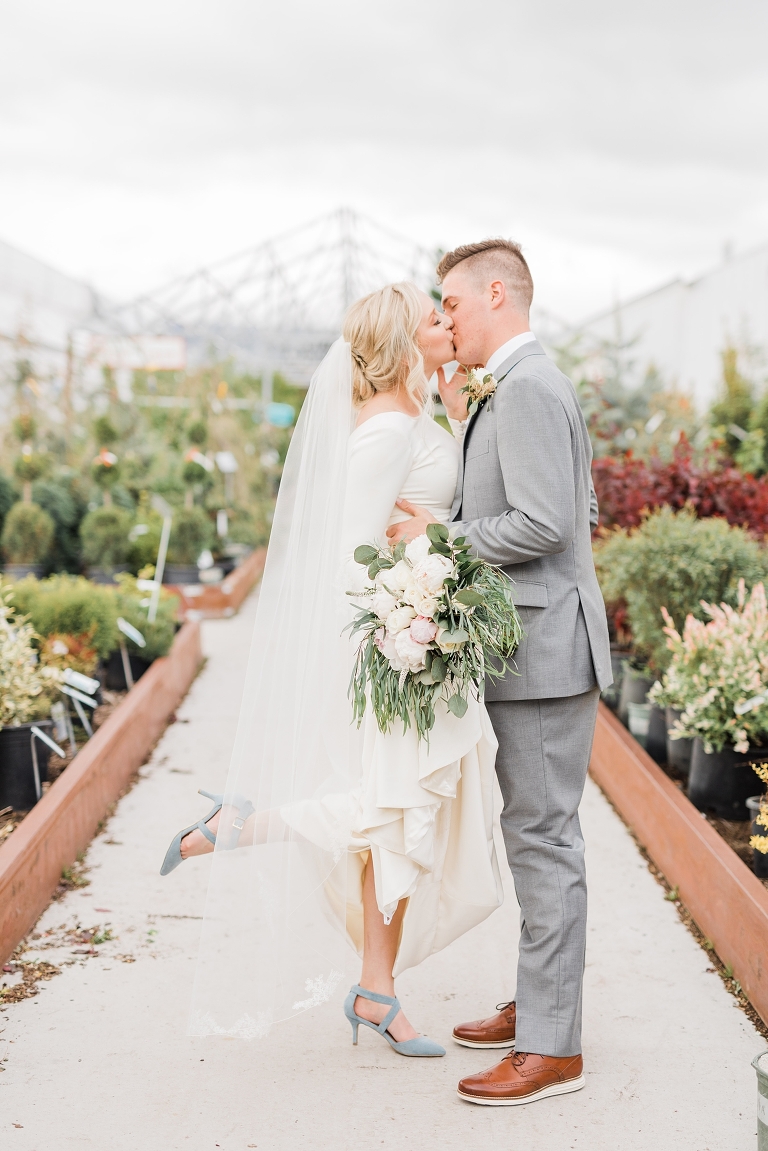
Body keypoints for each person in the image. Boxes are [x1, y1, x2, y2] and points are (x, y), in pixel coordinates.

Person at [162, 281, 503, 1056]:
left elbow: (419, 512)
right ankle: (243, 825)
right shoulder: (383, 430)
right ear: (405, 341)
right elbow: (351, 552)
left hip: (415, 639)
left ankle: (377, 991)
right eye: (434, 317)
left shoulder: (411, 415)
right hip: (395, 648)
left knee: (398, 822)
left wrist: (439, 516)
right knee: (388, 809)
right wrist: (407, 627)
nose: (446, 322)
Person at [387, 239, 612, 1105]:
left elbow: (549, 523)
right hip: (537, 647)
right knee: (534, 836)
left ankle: (553, 1047)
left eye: (450, 303)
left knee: (545, 840)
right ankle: (541, 1003)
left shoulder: (527, 387)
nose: (443, 320)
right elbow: (575, 508)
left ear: (495, 294)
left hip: (546, 657)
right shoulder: (515, 387)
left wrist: (437, 542)